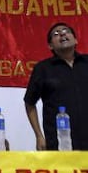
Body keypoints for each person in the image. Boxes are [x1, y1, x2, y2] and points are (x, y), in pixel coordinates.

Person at [24, 22, 88, 151]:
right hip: (60, 142)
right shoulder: (43, 68)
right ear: (50, 46)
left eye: (66, 31)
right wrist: (39, 136)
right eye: (56, 34)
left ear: (75, 40)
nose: (62, 34)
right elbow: (29, 103)